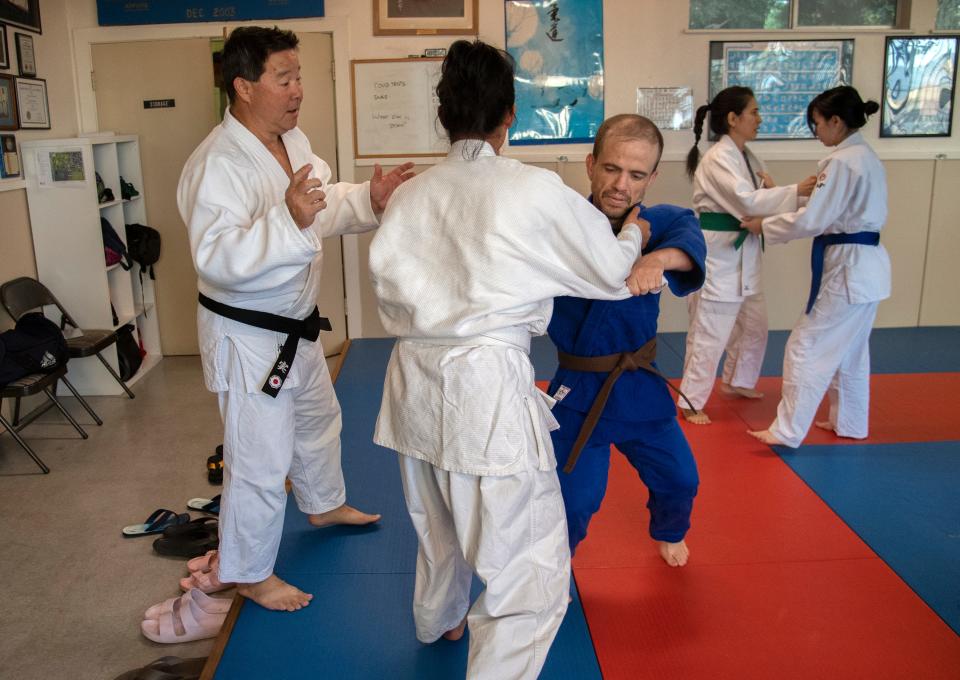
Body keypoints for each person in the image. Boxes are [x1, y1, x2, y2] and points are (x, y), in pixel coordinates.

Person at [369, 40, 647, 680]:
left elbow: (388, 286)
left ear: (445, 114)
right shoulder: (530, 188)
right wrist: (637, 230)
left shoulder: (412, 195)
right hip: (484, 384)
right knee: (528, 566)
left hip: (411, 378)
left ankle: (438, 618)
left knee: (438, 521)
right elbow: (609, 273)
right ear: (510, 114)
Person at [177, 26, 413, 612]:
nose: (297, 90)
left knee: (318, 421)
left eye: (298, 76)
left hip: (296, 325)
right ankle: (249, 572)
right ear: (243, 86)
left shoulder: (292, 140)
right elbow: (217, 258)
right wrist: (287, 221)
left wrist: (366, 199)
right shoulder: (215, 165)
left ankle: (324, 501)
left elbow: (318, 205)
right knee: (258, 459)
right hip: (250, 337)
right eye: (283, 78)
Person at [546, 115, 706, 568]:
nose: (621, 184)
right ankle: (557, 568)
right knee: (572, 501)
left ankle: (670, 530)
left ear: (652, 178)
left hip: (640, 386)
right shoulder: (560, 227)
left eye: (637, 175)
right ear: (591, 164)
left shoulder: (659, 222)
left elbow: (689, 237)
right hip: (579, 390)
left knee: (680, 478)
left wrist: (655, 259)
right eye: (612, 169)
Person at [742, 86, 890, 448]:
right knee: (851, 352)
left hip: (849, 269)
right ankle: (850, 422)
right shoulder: (864, 157)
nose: (816, 131)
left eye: (818, 124)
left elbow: (816, 219)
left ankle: (787, 430)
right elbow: (832, 204)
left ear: (836, 121)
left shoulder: (842, 161)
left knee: (805, 345)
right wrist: (790, 195)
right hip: (867, 267)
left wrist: (766, 226)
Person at [678, 87, 816, 425]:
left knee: (755, 325)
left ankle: (738, 380)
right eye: (753, 112)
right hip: (720, 253)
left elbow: (764, 197)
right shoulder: (717, 159)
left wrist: (797, 199)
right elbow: (748, 202)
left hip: (747, 252)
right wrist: (795, 190)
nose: (759, 118)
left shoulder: (749, 157)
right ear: (732, 119)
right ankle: (690, 400)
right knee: (710, 331)